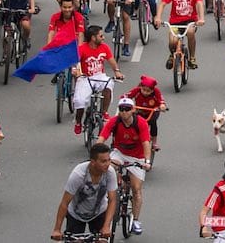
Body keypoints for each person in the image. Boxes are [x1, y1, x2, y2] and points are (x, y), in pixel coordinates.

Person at [101, 96, 152, 235]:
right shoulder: (114, 121)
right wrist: (97, 156)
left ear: (133, 110)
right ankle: (108, 198)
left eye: (127, 109)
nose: (124, 112)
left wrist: (147, 162)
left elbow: (146, 143)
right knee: (107, 171)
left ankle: (135, 220)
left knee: (136, 189)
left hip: (138, 157)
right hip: (119, 153)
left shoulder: (140, 123)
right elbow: (102, 138)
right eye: (121, 109)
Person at [50, 142, 119, 241]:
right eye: (103, 161)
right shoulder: (78, 175)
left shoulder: (110, 173)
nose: (107, 164)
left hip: (99, 212)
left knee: (102, 241)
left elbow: (112, 200)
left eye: (109, 160)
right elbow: (64, 203)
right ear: (93, 162)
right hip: (76, 215)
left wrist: (106, 226)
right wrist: (57, 229)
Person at [72, 24, 124, 137]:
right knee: (80, 102)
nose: (103, 38)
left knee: (109, 85)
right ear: (93, 38)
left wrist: (117, 71)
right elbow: (75, 63)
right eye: (101, 36)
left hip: (100, 76)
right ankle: (78, 122)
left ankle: (104, 112)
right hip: (85, 78)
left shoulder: (104, 47)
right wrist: (75, 70)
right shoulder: (82, 48)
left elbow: (111, 60)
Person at [154, 0, 205, 71]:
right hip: (175, 22)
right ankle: (172, 55)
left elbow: (199, 3)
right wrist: (158, 18)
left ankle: (192, 58)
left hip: (190, 20)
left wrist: (201, 18)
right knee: (172, 42)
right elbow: (163, 3)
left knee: (190, 32)